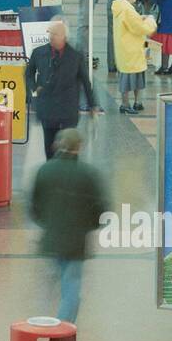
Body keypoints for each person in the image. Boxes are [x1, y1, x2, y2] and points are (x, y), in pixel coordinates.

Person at [28, 127, 109, 323]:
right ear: (79, 147)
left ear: (57, 145)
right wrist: (88, 226)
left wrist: (46, 222)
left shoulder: (44, 170)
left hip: (51, 238)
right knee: (71, 285)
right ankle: (63, 328)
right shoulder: (88, 174)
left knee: (47, 285)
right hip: (76, 241)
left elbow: (34, 206)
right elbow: (101, 209)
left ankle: (40, 325)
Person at [26, 18, 100, 161]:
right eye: (50, 34)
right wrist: (34, 89)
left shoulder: (75, 57)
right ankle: (52, 173)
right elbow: (28, 74)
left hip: (68, 110)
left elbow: (86, 82)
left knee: (69, 147)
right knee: (49, 147)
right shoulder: (38, 53)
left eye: (54, 34)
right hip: (48, 109)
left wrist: (93, 105)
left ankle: (69, 175)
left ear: (64, 37)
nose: (51, 37)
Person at [113, 0, 157, 113]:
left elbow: (132, 22)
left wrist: (140, 17)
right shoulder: (128, 10)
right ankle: (127, 104)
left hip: (126, 49)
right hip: (132, 50)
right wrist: (151, 21)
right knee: (133, 79)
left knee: (128, 78)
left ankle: (134, 103)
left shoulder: (120, 6)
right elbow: (141, 28)